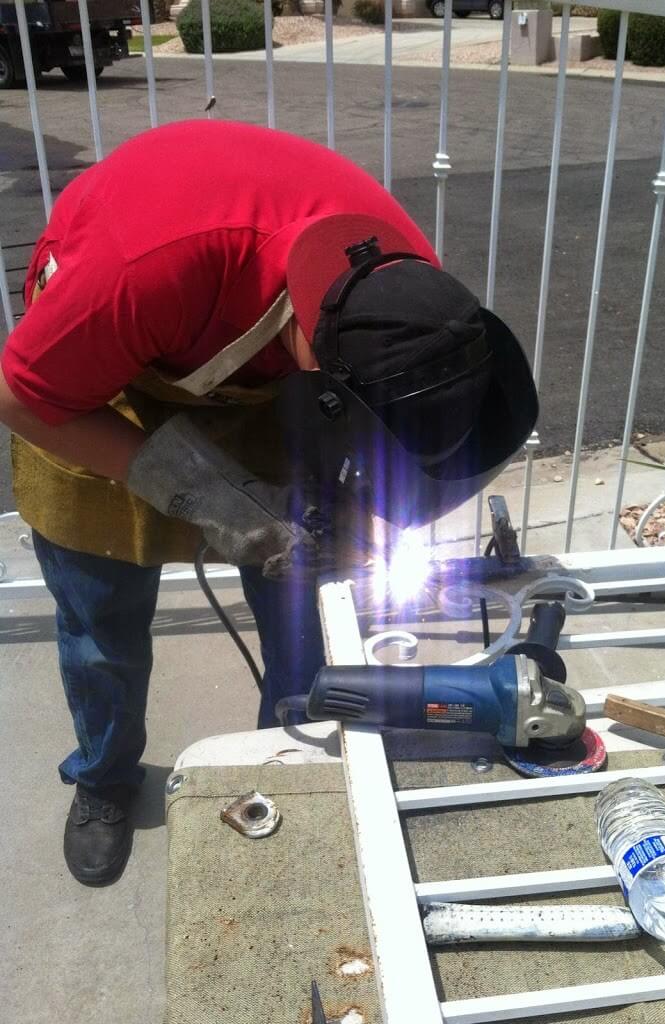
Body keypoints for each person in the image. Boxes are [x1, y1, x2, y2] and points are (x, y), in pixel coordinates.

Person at [0, 120, 537, 886]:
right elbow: (20, 397)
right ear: (320, 364)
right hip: (94, 387)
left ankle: (282, 766)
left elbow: (384, 445)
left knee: (307, 608)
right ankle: (104, 773)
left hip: (260, 375)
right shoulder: (138, 270)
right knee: (102, 626)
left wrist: (355, 516)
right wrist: (207, 496)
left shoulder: (405, 303)